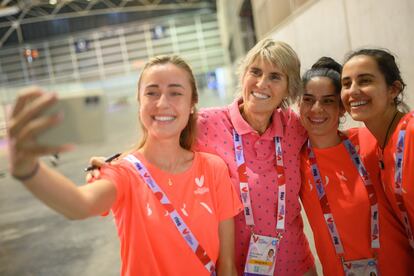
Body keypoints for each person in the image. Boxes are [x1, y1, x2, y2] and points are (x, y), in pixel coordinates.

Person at [90, 38, 316, 275]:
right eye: (255, 72)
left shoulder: (295, 128)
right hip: (235, 267)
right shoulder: (206, 124)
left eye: (275, 77)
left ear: (289, 88)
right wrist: (119, 163)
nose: (261, 83)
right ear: (243, 75)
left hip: (296, 262)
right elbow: (160, 138)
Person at [7, 55, 243, 276]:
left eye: (175, 93)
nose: (162, 103)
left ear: (192, 103)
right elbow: (79, 205)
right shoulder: (124, 172)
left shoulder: (213, 169)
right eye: (152, 93)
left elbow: (227, 265)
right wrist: (28, 169)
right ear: (139, 102)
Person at [299, 57, 414, 275]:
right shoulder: (294, 161)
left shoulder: (370, 141)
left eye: (328, 101)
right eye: (308, 99)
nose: (317, 109)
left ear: (342, 108)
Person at [341, 48, 414, 251]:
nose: (353, 91)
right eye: (346, 84)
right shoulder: (381, 146)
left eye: (365, 81)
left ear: (394, 89)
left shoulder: (411, 133)